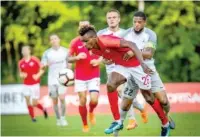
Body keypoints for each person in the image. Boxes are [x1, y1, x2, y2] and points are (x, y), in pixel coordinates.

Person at [79, 25, 171, 137]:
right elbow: (111, 55)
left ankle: (165, 124)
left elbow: (132, 45)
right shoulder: (93, 49)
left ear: (93, 38)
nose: (84, 45)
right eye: (82, 42)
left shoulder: (106, 40)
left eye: (85, 41)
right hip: (121, 65)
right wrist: (108, 60)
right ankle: (117, 121)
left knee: (149, 98)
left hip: (136, 65)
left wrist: (142, 64)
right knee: (110, 85)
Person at [123, 11, 175, 130]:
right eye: (134, 22)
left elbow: (149, 53)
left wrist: (133, 52)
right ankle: (130, 120)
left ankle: (166, 115)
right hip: (133, 72)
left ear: (144, 22)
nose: (136, 24)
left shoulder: (150, 34)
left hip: (149, 70)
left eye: (139, 22)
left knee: (164, 101)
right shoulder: (125, 34)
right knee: (134, 100)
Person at [97, 9, 148, 130]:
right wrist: (103, 60)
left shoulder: (126, 34)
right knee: (126, 97)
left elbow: (135, 50)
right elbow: (100, 54)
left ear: (119, 19)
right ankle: (141, 108)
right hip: (111, 69)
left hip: (125, 68)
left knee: (121, 92)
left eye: (114, 17)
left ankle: (131, 120)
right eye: (109, 18)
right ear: (106, 20)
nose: (112, 19)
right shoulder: (101, 34)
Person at [68, 21, 101, 132]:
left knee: (94, 100)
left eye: (86, 26)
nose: (84, 28)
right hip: (80, 77)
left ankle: (91, 112)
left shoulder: (96, 40)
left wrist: (98, 61)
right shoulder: (75, 42)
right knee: (82, 100)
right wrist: (76, 57)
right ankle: (85, 124)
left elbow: (105, 54)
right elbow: (68, 58)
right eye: (82, 26)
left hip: (94, 75)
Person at [40, 34, 69, 126]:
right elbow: (42, 65)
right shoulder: (47, 53)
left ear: (59, 39)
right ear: (50, 42)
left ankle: (63, 118)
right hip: (52, 80)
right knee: (55, 100)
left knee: (62, 98)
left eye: (55, 38)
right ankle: (58, 118)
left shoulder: (65, 51)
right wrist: (45, 65)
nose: (54, 40)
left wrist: (69, 73)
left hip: (63, 79)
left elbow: (69, 63)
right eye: (51, 39)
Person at [18, 45, 48, 122]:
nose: (24, 52)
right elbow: (20, 73)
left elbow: (42, 69)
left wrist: (37, 75)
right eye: (23, 50)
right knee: (28, 101)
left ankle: (43, 109)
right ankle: (33, 117)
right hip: (26, 85)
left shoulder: (35, 60)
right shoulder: (21, 62)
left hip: (35, 84)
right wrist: (22, 75)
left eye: (26, 50)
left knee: (34, 103)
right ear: (22, 52)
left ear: (29, 51)